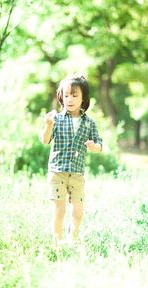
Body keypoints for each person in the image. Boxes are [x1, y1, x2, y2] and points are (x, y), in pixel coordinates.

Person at [41, 74, 102, 245]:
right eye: (66, 95)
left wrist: (94, 146)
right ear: (61, 96)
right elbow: (45, 140)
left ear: (83, 98)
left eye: (75, 95)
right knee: (59, 210)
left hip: (76, 174)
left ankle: (72, 237)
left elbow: (99, 144)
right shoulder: (56, 119)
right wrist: (48, 125)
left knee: (78, 212)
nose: (70, 99)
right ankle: (58, 242)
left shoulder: (89, 123)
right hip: (57, 171)